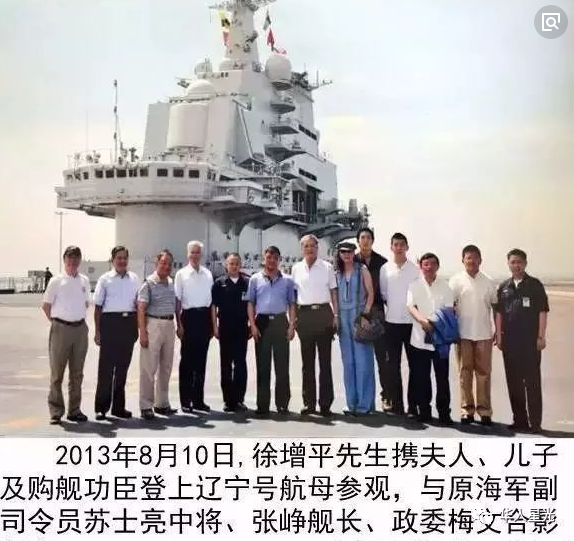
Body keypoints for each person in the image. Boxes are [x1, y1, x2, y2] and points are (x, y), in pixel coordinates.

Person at [495, 249, 549, 433]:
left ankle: (535, 423)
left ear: (525, 263)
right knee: (514, 383)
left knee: (532, 382)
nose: (516, 265)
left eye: (519, 262)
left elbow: (542, 311)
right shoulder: (504, 287)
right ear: (508, 264)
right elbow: (499, 313)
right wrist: (499, 336)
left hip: (530, 342)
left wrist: (541, 336)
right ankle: (519, 420)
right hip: (510, 342)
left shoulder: (535, 285)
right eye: (513, 262)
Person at [41, 246, 91, 425]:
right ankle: (56, 411)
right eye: (70, 257)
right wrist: (57, 323)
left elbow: (86, 303)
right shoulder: (56, 281)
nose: (73, 260)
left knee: (77, 374)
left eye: (76, 257)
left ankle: (74, 410)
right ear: (64, 260)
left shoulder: (84, 280)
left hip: (80, 329)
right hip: (61, 329)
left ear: (80, 260)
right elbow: (46, 306)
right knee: (57, 373)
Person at [449, 245, 497, 426]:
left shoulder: (488, 281)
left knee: (484, 374)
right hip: (463, 335)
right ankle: (466, 410)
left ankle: (484, 411)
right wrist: (451, 331)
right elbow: (450, 307)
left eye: (475, 258)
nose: (472, 261)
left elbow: (495, 307)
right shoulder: (455, 281)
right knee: (465, 373)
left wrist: (498, 331)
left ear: (480, 260)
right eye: (468, 258)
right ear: (463, 260)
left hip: (484, 334)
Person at [291, 234, 338, 417]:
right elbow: (293, 297)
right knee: (307, 363)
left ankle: (325, 404)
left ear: (318, 248)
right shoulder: (296, 269)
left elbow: (333, 293)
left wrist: (336, 315)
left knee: (325, 363)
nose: (310, 249)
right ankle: (309, 403)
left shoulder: (327, 267)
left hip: (323, 314)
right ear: (302, 249)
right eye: (306, 246)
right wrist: (293, 319)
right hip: (304, 315)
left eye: (313, 246)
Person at [247, 246, 297, 416]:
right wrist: (252, 325)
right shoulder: (255, 279)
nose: (272, 260)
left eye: (275, 258)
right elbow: (251, 303)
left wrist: (291, 326)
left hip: (280, 322)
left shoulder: (287, 281)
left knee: (282, 366)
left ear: (279, 260)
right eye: (269, 257)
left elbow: (292, 304)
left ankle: (282, 404)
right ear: (264, 258)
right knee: (263, 366)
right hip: (262, 323)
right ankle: (262, 405)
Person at [93, 246, 140, 420]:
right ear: (112, 260)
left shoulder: (134, 279)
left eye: (124, 258)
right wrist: (98, 331)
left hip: (128, 324)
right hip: (110, 324)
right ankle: (101, 408)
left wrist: (137, 329)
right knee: (106, 369)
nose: (122, 261)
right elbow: (98, 308)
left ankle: (118, 408)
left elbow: (138, 304)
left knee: (122, 370)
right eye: (119, 258)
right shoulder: (105, 279)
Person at [407, 252, 454, 425]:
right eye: (425, 264)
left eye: (433, 264)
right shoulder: (414, 285)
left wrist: (432, 323)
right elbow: (411, 306)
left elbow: (448, 311)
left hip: (440, 341)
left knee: (442, 378)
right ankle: (424, 411)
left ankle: (444, 413)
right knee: (422, 378)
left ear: (437, 266)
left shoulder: (446, 287)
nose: (429, 267)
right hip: (419, 340)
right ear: (421, 267)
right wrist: (422, 320)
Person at [379, 233, 420, 416]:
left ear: (407, 247)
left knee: (415, 367)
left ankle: (413, 406)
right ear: (391, 247)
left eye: (402, 244)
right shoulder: (385, 269)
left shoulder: (415, 270)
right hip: (392, 323)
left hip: (412, 324)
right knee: (392, 367)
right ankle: (397, 405)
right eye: (396, 244)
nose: (399, 247)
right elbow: (384, 294)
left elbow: (418, 295)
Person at [335, 241, 376, 416]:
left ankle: (365, 404)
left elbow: (370, 293)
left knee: (363, 362)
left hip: (359, 317)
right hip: (343, 319)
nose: (347, 255)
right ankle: (351, 403)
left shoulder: (362, 270)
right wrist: (335, 317)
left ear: (354, 253)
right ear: (339, 254)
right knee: (348, 362)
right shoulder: (336, 272)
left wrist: (365, 315)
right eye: (343, 252)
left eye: (350, 252)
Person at [137, 249, 178, 420]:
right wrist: (143, 333)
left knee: (166, 367)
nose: (166, 266)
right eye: (163, 263)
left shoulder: (171, 283)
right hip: (153, 324)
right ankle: (146, 405)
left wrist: (179, 325)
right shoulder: (148, 283)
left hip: (169, 324)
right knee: (149, 367)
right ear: (157, 263)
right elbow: (141, 309)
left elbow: (176, 306)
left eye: (169, 264)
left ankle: (162, 403)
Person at [175, 241, 214, 413]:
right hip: (188, 317)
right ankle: (185, 400)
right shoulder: (181, 274)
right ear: (187, 254)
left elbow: (212, 302)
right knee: (187, 362)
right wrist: (179, 324)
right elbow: (177, 301)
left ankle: (198, 400)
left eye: (198, 252)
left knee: (201, 361)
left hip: (204, 318)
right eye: (192, 252)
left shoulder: (208, 274)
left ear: (201, 255)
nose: (195, 255)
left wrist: (212, 325)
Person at [211, 253, 250, 413]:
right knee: (226, 364)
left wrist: (251, 324)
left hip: (241, 328)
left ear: (240, 265)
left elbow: (251, 305)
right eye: (231, 263)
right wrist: (215, 327)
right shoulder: (219, 283)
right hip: (225, 328)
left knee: (240, 364)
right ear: (226, 265)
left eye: (236, 263)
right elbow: (214, 306)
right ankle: (228, 400)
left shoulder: (247, 283)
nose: (234, 266)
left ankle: (239, 399)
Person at [356, 227, 389, 410]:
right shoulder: (351, 261)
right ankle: (362, 397)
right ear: (358, 241)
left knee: (382, 358)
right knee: (361, 360)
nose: (365, 240)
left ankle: (387, 396)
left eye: (368, 237)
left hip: (377, 315)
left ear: (372, 241)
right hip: (358, 316)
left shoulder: (383, 263)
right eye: (362, 237)